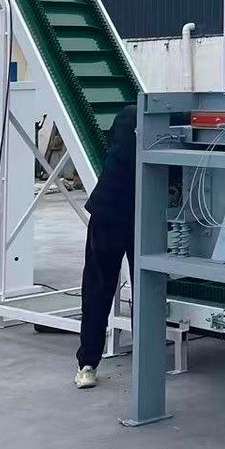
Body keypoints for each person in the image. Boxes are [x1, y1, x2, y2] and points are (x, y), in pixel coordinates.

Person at [75, 102, 138, 389]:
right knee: (145, 287)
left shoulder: (127, 116)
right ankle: (143, 354)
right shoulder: (139, 121)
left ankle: (88, 363)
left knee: (98, 287)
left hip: (116, 213)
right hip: (118, 213)